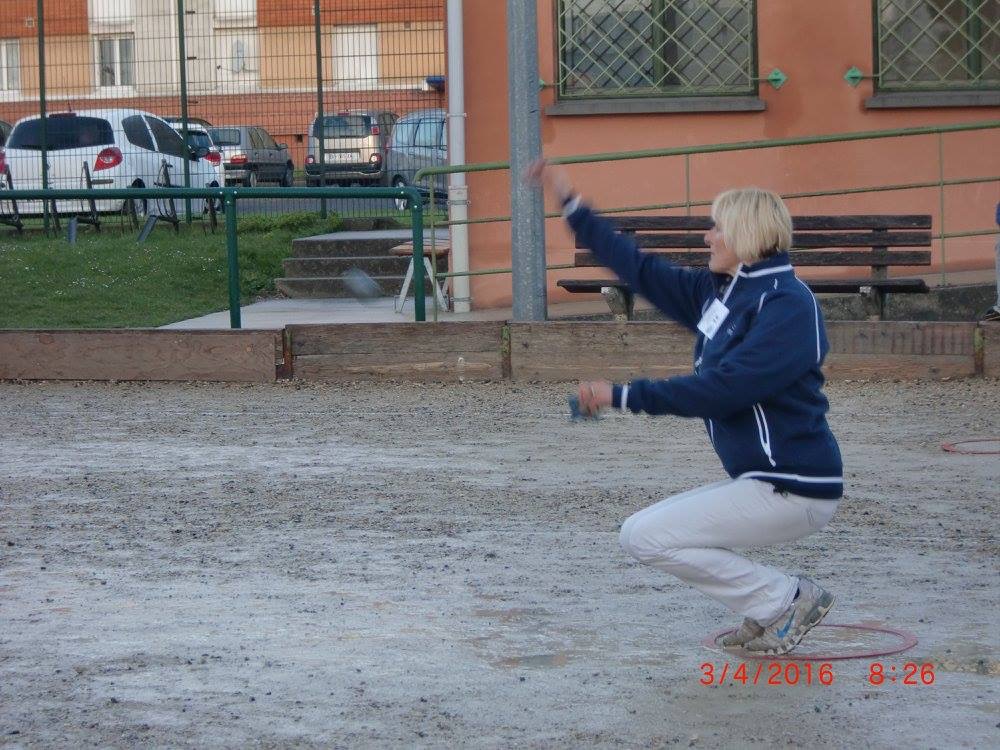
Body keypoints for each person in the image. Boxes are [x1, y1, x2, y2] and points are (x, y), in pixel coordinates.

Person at [526, 161, 844, 655]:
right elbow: (639, 268)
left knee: (644, 536)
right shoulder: (723, 290)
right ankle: (771, 604)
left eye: (717, 227)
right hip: (764, 481)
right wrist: (571, 205)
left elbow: (724, 390)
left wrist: (623, 396)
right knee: (643, 533)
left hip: (795, 487)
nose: (707, 237)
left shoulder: (787, 305)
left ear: (747, 234)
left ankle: (784, 599)